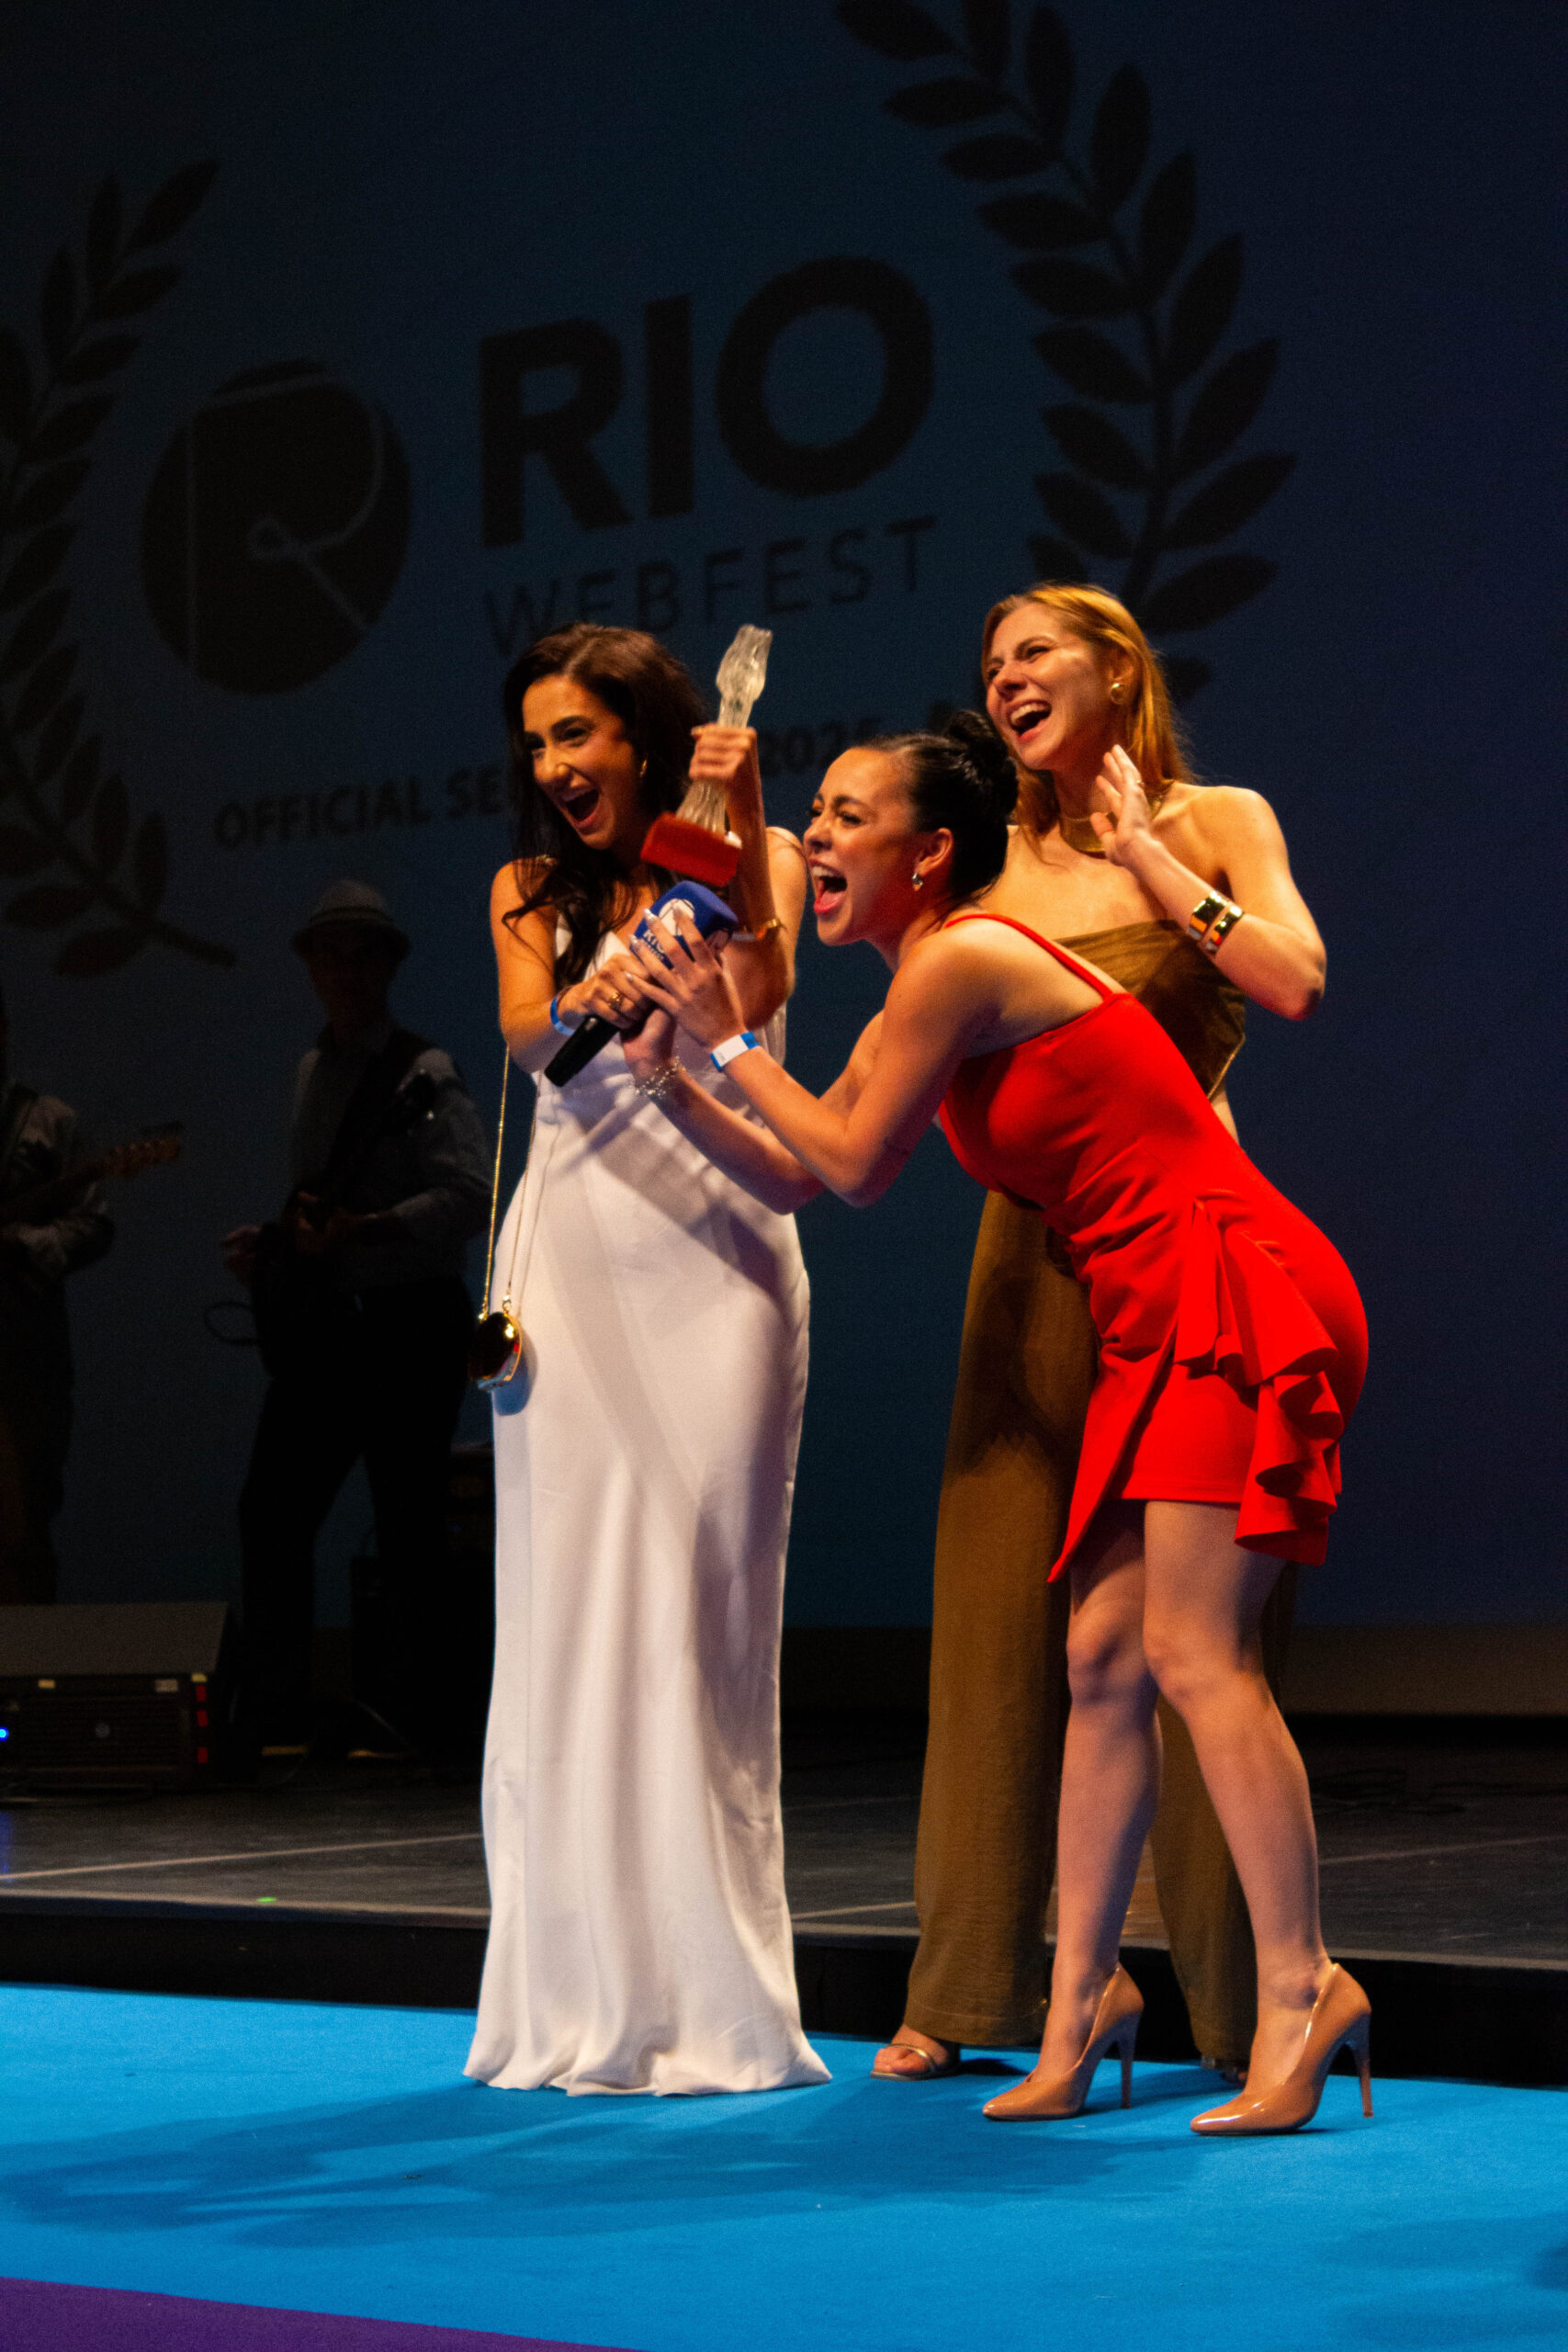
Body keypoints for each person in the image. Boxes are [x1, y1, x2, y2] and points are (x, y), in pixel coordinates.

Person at [623, 720, 1370, 2135]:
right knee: (1099, 1659)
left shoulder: (966, 954)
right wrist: (671, 1070)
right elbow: (797, 1174)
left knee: (1190, 1651)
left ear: (928, 854)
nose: (814, 840)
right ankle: (1080, 2003)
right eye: (815, 814)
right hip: (1147, 1313)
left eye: (847, 817)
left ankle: (1300, 1989)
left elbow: (849, 1167)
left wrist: (726, 1040)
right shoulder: (920, 989)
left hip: (1229, 1281)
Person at [882, 586, 1331, 2081]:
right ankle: (990, 1987)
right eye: (987, 662)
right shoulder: (985, 869)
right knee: (1022, 1627)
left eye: (1032, 652)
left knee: (1194, 1639)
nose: (1003, 678)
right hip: (1030, 1260)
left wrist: (1148, 860)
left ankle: (1244, 1995)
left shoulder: (1216, 821)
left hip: (1183, 1248)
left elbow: (1292, 981)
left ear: (1115, 668)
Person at [464, 622, 825, 2098]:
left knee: (699, 1609)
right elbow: (525, 1040)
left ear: (646, 738)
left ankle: (712, 1996)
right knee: (567, 1612)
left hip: (716, 1242)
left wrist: (741, 814)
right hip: (572, 1250)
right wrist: (589, 997)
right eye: (537, 742)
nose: (555, 766)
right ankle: (571, 1989)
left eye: (579, 734)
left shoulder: (754, 850)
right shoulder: (526, 889)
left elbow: (759, 991)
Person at [224, 881, 490, 1753]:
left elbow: (471, 1194)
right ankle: (275, 1717)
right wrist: (277, 1244)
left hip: (409, 1322)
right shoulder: (311, 1069)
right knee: (272, 1513)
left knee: (408, 1521)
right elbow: (323, 1198)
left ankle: (415, 1720)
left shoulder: (424, 1070)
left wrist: (366, 1229)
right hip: (332, 1327)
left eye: (360, 954)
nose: (343, 970)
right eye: (328, 954)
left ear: (387, 967)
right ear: (310, 967)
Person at [0, 983, 113, 1602]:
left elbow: (93, 1226)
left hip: (24, 1348)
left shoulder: (48, 1121)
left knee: (25, 1522)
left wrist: (24, 1244)